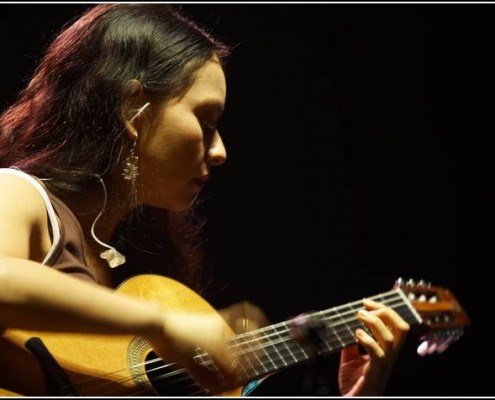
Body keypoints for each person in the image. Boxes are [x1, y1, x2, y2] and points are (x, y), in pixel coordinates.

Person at [0, 3, 410, 397]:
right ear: (133, 108)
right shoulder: (22, 194)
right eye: (205, 121)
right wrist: (164, 324)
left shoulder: (136, 266)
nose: (220, 152)